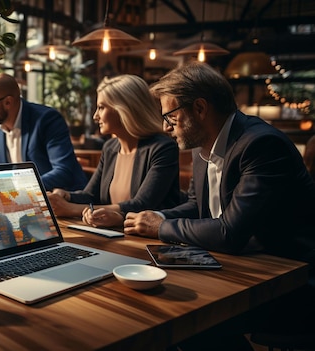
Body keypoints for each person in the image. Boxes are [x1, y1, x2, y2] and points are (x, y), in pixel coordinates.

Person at [121, 61, 315, 350]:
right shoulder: (205, 147)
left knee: (181, 320)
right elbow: (194, 205)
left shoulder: (260, 145)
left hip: (287, 285)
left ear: (199, 108)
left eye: (170, 117)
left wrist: (161, 227)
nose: (165, 127)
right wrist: (145, 218)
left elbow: (229, 233)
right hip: (238, 271)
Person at [47, 75, 182, 227]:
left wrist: (71, 209)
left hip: (148, 241)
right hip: (109, 235)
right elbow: (91, 195)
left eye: (101, 107)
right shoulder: (110, 148)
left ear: (124, 109)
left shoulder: (163, 148)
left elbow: (141, 205)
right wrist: (67, 196)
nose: (95, 116)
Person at [0, 73, 87, 191]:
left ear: (8, 102)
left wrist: (19, 188)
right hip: (25, 202)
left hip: (66, 200)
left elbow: (64, 171)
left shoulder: (47, 120)